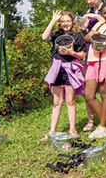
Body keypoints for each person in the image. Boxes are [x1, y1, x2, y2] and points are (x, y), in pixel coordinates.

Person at [40, 10, 86, 140]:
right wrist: (53, 21)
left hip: (70, 69)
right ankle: (52, 130)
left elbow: (82, 55)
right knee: (56, 102)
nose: (66, 23)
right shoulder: (56, 34)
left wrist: (72, 53)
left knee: (70, 101)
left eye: (68, 21)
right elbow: (44, 37)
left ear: (73, 22)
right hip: (57, 69)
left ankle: (73, 129)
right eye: (63, 21)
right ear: (60, 23)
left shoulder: (77, 36)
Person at [81, 0, 106, 133]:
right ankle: (100, 121)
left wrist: (99, 18)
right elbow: (86, 36)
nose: (89, 1)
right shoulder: (87, 14)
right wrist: (88, 31)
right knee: (89, 94)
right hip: (92, 57)